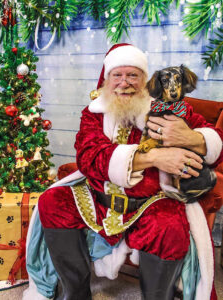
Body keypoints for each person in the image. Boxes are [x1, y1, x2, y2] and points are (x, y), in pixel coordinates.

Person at [25, 43, 223, 300]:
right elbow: (89, 157)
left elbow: (216, 143)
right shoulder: (94, 113)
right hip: (99, 198)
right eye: (117, 75)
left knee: (169, 226)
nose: (124, 83)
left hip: (151, 201)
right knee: (52, 202)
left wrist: (192, 138)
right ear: (107, 80)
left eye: (133, 75)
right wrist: (154, 157)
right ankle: (76, 293)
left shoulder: (169, 110)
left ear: (145, 80)